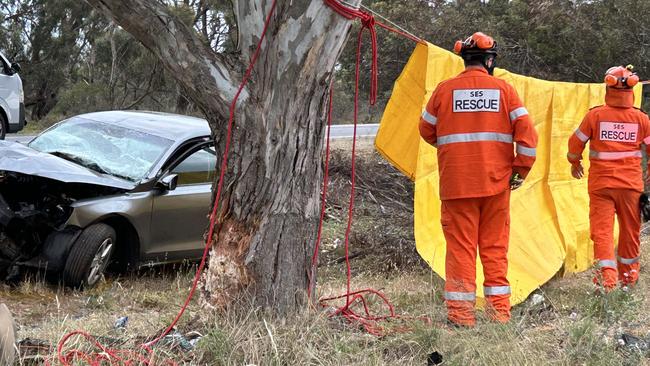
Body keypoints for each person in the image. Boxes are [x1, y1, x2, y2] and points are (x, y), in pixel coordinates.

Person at [418, 32, 538, 327]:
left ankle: (461, 317)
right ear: (490, 60)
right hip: (496, 185)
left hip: (457, 184)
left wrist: (455, 151)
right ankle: (498, 314)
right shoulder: (504, 91)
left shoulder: (444, 90)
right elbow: (528, 139)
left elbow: (426, 130)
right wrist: (519, 171)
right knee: (495, 248)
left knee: (460, 249)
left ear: (465, 59)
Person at [567, 65, 650, 291]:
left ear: (608, 87)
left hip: (601, 186)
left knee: (602, 233)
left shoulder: (595, 115)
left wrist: (574, 162)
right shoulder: (641, 119)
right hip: (631, 188)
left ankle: (607, 282)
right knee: (630, 233)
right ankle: (629, 279)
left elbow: (575, 144)